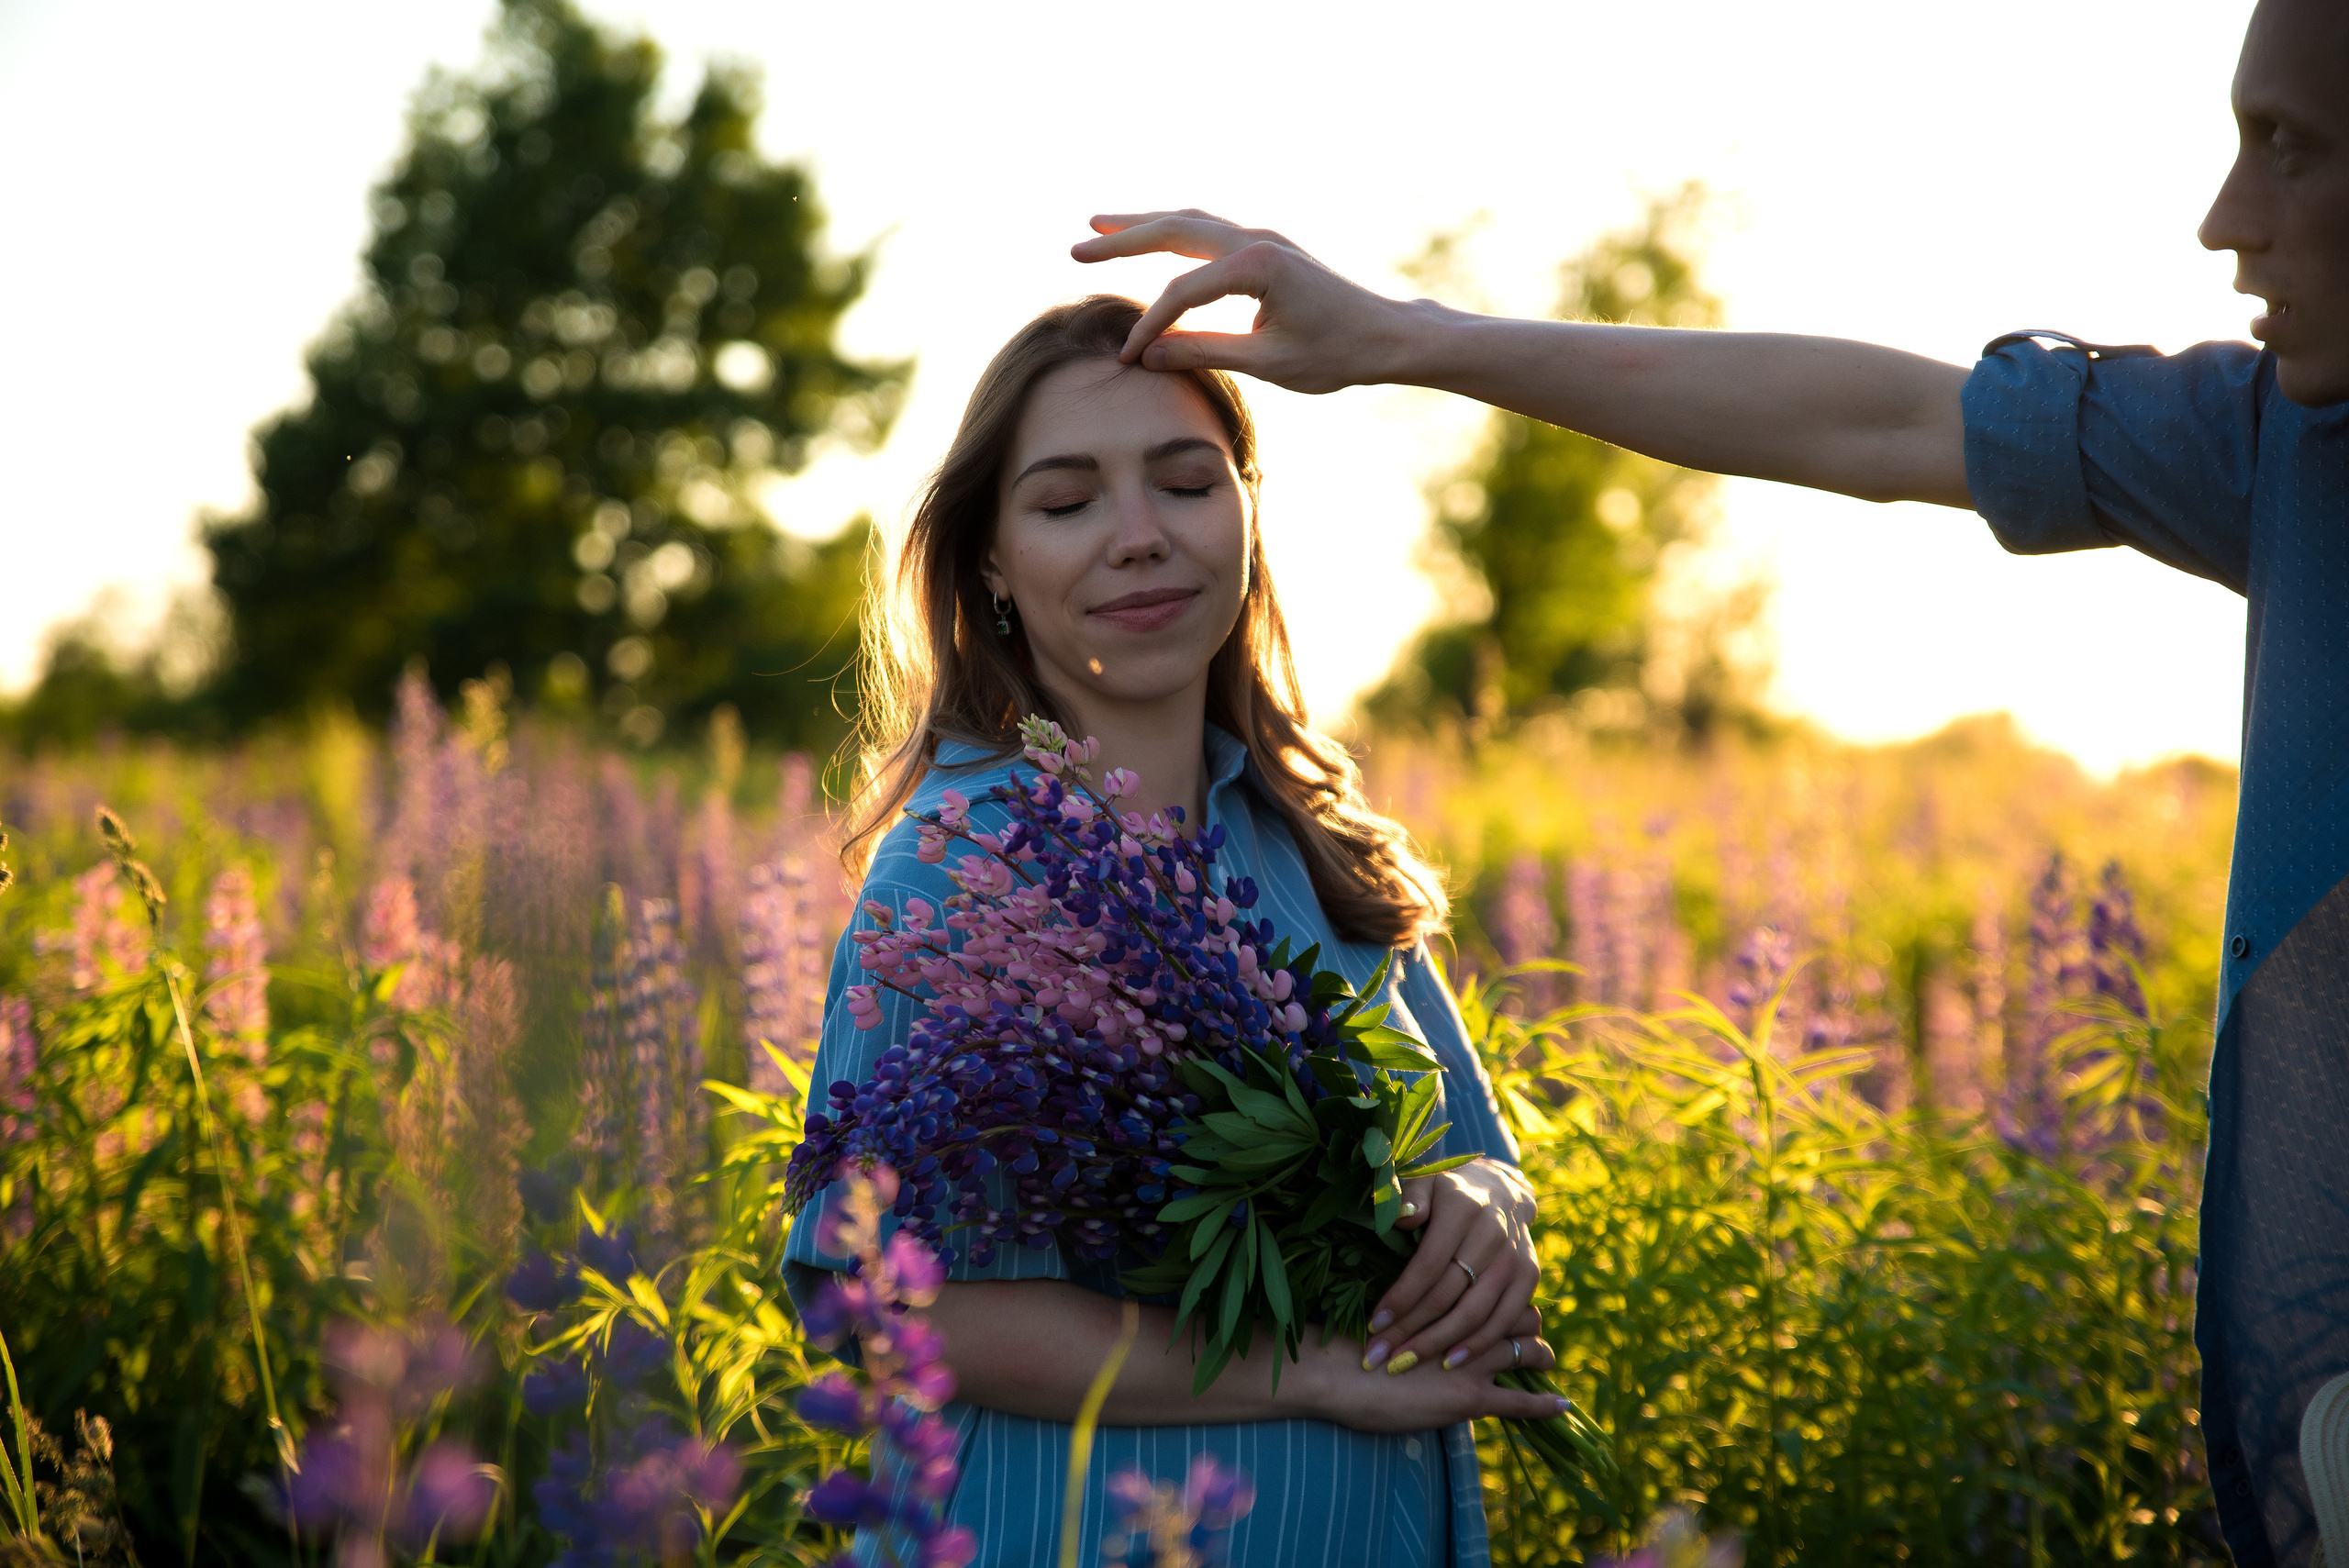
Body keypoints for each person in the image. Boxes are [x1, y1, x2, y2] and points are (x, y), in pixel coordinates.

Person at [1069, 2, 2349, 1563]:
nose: (2226, 218)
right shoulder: (2286, 444)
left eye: (2292, 147)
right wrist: (1403, 339)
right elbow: (1877, 415)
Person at [784, 294, 1571, 1568]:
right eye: (1066, 500)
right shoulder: (961, 872)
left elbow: (1473, 1160)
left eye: (1186, 482)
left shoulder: (1306, 831)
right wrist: (1306, 1371)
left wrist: (1486, 1199)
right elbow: (894, 1304)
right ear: (989, 560)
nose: (1139, 537)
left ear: (1247, 515)